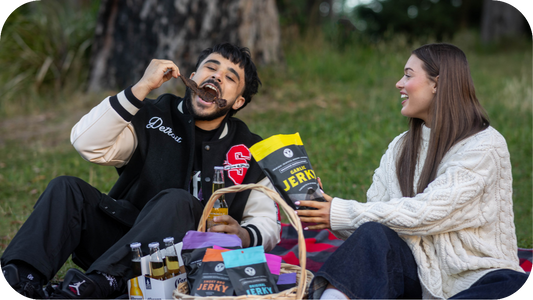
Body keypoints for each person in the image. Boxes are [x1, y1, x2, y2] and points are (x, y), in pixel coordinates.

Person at [0, 43, 280, 299]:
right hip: (121, 242)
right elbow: (87, 144)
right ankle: (19, 278)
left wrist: (244, 235)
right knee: (66, 188)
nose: (217, 76)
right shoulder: (153, 116)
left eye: (230, 77)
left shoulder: (252, 150)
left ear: (239, 102)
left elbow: (267, 222)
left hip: (183, 263)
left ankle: (94, 285)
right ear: (193, 76)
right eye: (210, 67)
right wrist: (142, 87)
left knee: (178, 200)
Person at [296, 43, 530, 299]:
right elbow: (374, 221)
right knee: (372, 234)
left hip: (481, 279)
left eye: (408, 75)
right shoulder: (400, 146)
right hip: (421, 276)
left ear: (437, 84)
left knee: (514, 284)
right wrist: (324, 212)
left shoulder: (485, 145)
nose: (399, 83)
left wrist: (340, 211)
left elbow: (429, 211)